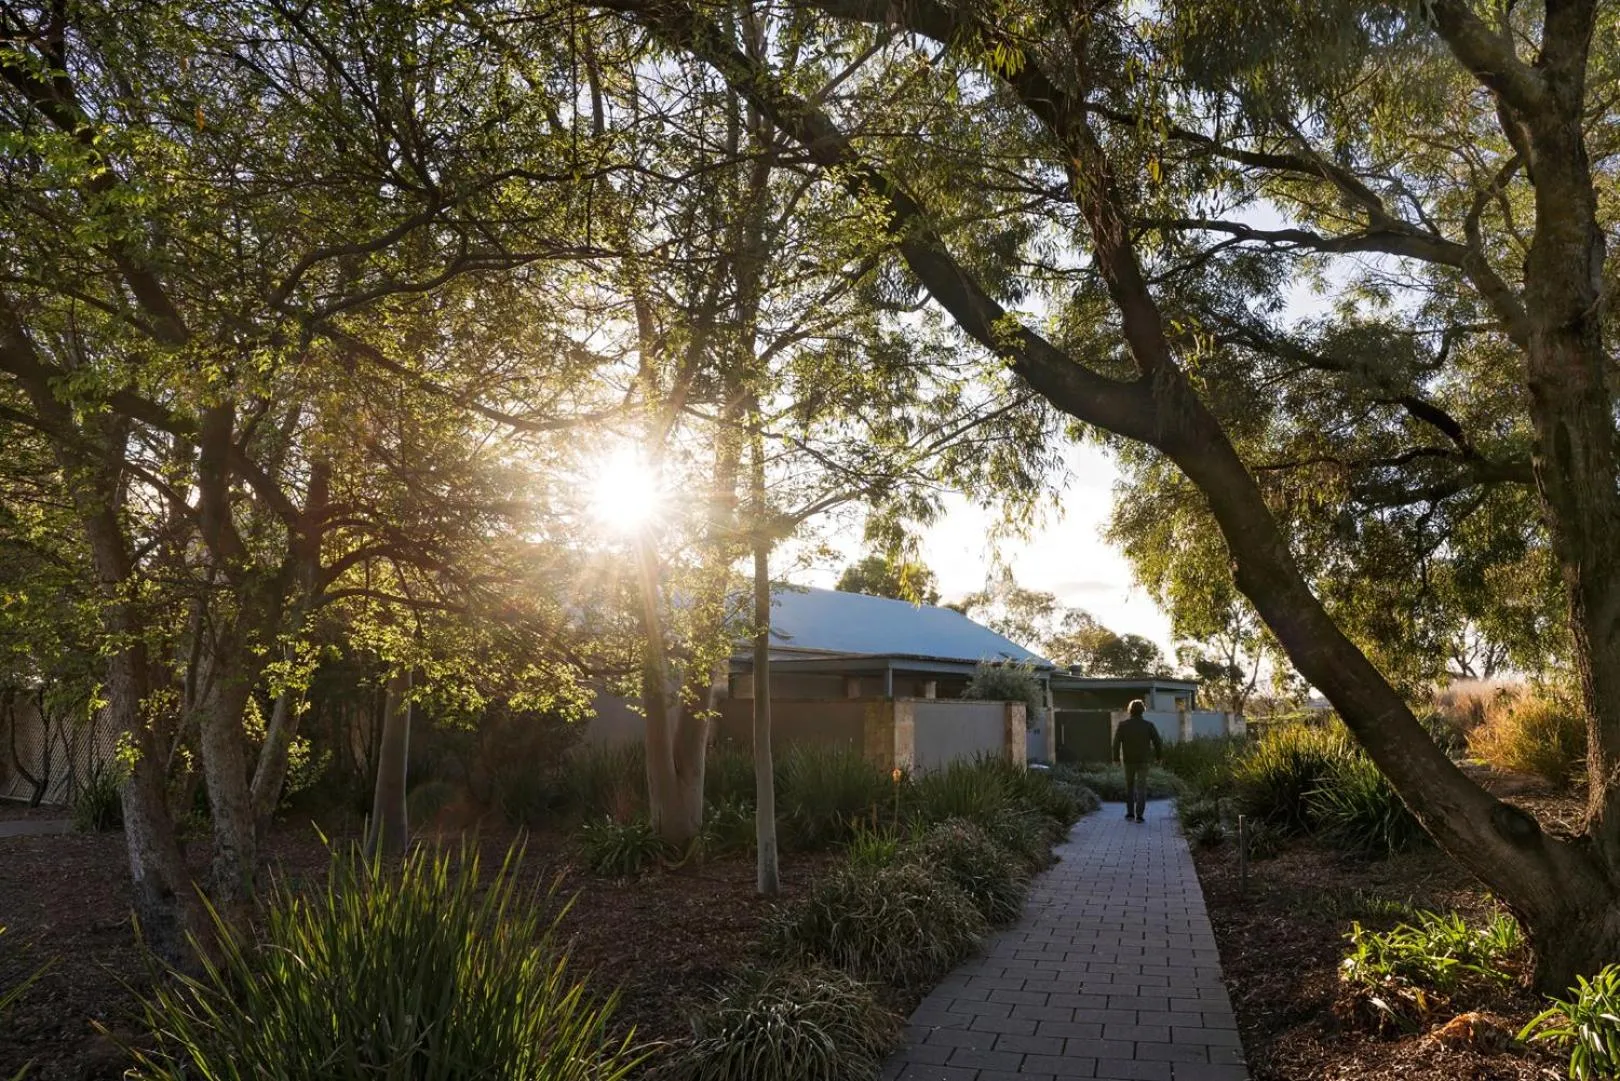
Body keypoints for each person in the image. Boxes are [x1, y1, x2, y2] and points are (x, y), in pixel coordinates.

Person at [1112, 699, 1162, 823]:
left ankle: (1129, 814)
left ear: (1130, 710)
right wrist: (1159, 757)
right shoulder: (1148, 725)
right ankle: (1139, 815)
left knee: (1129, 787)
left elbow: (1116, 743)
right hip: (1144, 760)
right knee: (1141, 787)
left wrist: (1116, 759)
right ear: (1143, 711)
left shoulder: (1123, 725)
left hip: (1129, 760)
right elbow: (1158, 742)